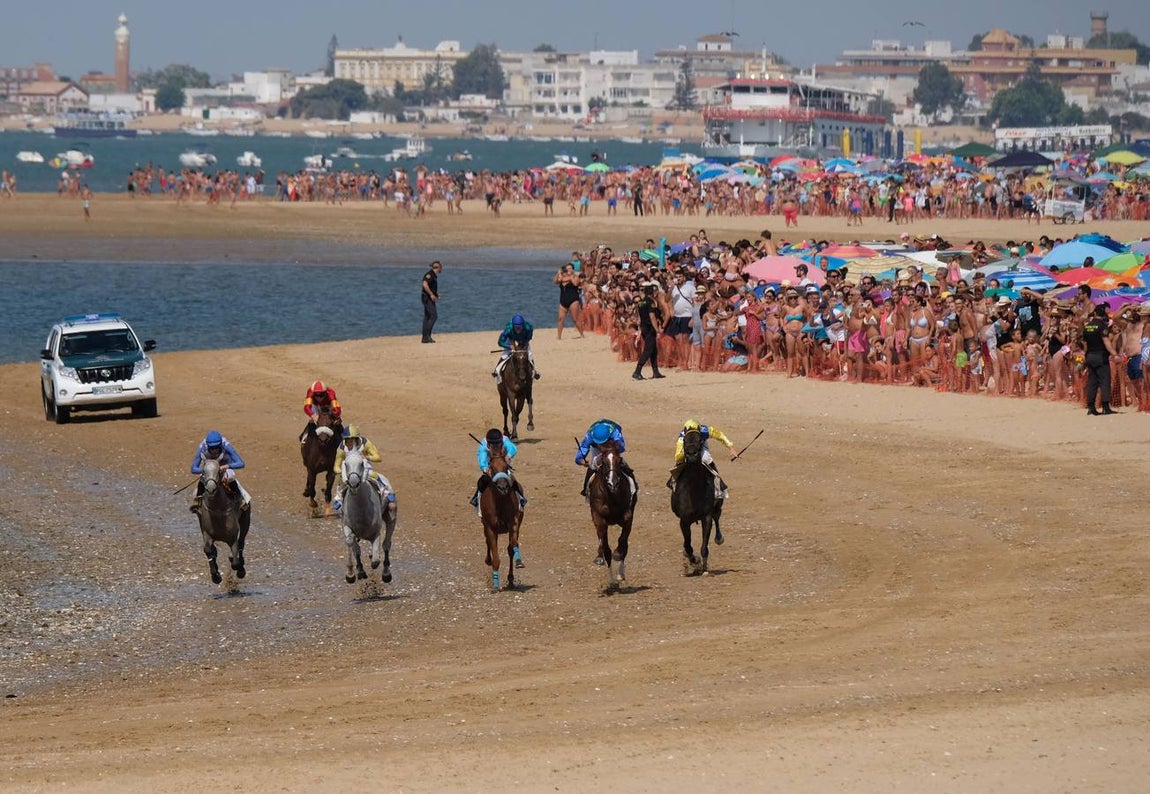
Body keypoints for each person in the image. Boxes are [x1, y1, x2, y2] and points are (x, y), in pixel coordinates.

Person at [331, 425, 395, 519]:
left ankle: (386, 491)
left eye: (352, 439)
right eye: (347, 440)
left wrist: (367, 457)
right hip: (349, 470)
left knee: (374, 475)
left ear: (357, 439)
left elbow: (378, 457)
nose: (350, 442)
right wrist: (340, 471)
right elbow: (336, 465)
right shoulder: (341, 447)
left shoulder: (365, 443)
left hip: (364, 467)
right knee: (341, 482)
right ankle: (339, 499)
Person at [668, 419, 735, 500]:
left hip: (701, 444)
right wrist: (681, 458)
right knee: (680, 460)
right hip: (688, 446)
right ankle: (673, 481)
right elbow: (678, 456)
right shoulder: (682, 438)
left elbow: (719, 435)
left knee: (706, 459)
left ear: (699, 430)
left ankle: (718, 487)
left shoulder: (705, 431)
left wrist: (730, 447)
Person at [575, 418, 637, 502]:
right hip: (596, 449)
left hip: (612, 447)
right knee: (593, 464)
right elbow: (583, 448)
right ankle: (586, 490)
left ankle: (633, 486)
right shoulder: (590, 435)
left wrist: (609, 452)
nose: (601, 444)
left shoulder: (615, 432)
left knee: (621, 463)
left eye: (603, 442)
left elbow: (621, 447)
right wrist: (581, 460)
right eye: (599, 443)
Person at [470, 428, 528, 515]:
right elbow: (482, 459)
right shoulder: (483, 445)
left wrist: (508, 456)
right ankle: (476, 500)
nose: (496, 447)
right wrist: (485, 469)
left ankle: (521, 498)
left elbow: (513, 448)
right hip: (491, 468)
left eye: (498, 444)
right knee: (482, 482)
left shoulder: (505, 440)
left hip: (503, 466)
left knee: (513, 480)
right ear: (489, 444)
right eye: (494, 445)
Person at [189, 430, 250, 512]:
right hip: (209, 467)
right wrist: (204, 470)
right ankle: (197, 501)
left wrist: (227, 466)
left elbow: (241, 463)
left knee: (230, 477)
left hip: (224, 465)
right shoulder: (202, 447)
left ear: (221, 444)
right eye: (212, 448)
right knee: (203, 479)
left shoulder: (226, 445)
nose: (214, 450)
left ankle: (240, 499)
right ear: (208, 445)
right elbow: (193, 468)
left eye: (217, 447)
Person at [1082, 303, 1117, 415]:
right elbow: (1107, 343)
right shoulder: (1102, 326)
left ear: (1095, 313)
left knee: (1092, 382)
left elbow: (1085, 344)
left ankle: (1091, 407)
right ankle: (1106, 407)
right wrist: (1115, 354)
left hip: (1089, 356)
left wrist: (1085, 356)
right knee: (1104, 381)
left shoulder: (1087, 326)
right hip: (1100, 356)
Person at [492, 314, 541, 380]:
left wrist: (524, 345)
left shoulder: (528, 327)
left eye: (520, 327)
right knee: (505, 355)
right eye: (516, 328)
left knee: (529, 354)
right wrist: (510, 346)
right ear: (513, 326)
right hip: (511, 339)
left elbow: (529, 338)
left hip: (523, 340)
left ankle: (534, 371)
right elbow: (500, 342)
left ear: (523, 325)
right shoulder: (508, 329)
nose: (518, 330)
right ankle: (497, 371)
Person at [633, 282, 665, 380]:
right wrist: (657, 330)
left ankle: (656, 372)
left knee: (653, 350)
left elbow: (639, 316)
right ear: (652, 292)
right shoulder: (651, 302)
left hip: (644, 327)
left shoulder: (641, 302)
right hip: (650, 328)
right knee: (648, 350)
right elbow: (652, 317)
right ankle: (637, 371)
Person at [421, 260, 442, 343]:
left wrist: (436, 294)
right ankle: (426, 337)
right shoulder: (429, 275)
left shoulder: (434, 276)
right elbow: (424, 284)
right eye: (441, 267)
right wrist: (431, 294)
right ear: (437, 267)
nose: (442, 269)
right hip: (427, 298)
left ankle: (425, 337)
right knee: (433, 316)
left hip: (428, 297)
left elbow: (430, 287)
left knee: (427, 317)